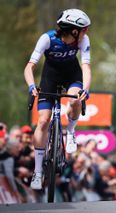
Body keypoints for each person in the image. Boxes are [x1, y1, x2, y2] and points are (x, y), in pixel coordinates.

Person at [24, 8, 92, 190]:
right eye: (84, 29)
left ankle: (70, 132)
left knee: (74, 100)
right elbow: (29, 67)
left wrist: (85, 89)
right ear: (73, 30)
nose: (86, 32)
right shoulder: (47, 39)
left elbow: (86, 67)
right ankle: (38, 172)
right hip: (50, 76)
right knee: (43, 121)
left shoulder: (83, 40)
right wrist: (31, 86)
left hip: (72, 74)